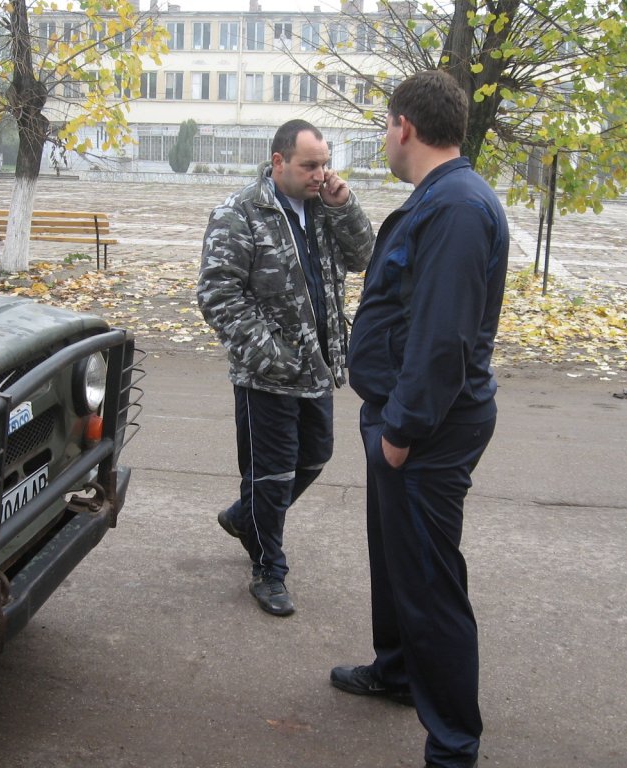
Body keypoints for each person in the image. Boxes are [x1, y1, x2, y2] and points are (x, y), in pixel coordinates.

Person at [329, 70, 509, 768]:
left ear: (404, 126)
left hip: (426, 428)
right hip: (403, 416)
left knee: (431, 583)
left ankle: (454, 746)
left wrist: (401, 433)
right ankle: (398, 670)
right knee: (398, 563)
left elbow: (443, 338)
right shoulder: (440, 197)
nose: (384, 137)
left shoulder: (457, 207)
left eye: (384, 125)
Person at [197, 119, 373, 617]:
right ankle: (268, 570)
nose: (321, 174)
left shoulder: (323, 207)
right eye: (309, 165)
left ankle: (245, 516)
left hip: (318, 367)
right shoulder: (240, 213)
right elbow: (218, 295)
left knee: (315, 456)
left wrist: (344, 205)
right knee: (271, 476)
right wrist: (272, 357)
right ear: (278, 162)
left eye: (325, 164)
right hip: (267, 377)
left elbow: (363, 256)